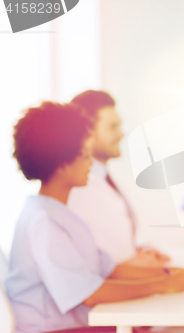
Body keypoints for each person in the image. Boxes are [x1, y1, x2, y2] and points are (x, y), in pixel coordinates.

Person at [5, 102, 184, 333]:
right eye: (83, 154)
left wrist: (176, 274)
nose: (90, 161)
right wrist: (163, 284)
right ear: (61, 165)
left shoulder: (60, 214)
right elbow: (89, 294)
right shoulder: (44, 222)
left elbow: (110, 268)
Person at [68, 90, 168, 266]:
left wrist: (139, 249)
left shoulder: (104, 179)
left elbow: (108, 241)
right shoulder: (77, 187)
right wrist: (133, 263)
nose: (121, 134)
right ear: (87, 131)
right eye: (113, 127)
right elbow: (88, 261)